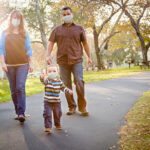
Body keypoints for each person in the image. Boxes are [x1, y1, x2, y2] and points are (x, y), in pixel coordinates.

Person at [46, 6, 92, 116]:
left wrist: (89, 57)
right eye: (64, 14)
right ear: (62, 16)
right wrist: (48, 55)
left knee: (79, 81)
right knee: (66, 85)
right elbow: (51, 43)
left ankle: (82, 107)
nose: (66, 16)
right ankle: (71, 106)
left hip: (77, 60)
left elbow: (85, 43)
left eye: (68, 14)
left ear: (72, 15)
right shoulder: (57, 30)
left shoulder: (79, 28)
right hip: (62, 62)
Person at [0, 10, 33, 122]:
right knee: (13, 90)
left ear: (21, 20)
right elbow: (1, 49)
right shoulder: (5, 33)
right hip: (9, 65)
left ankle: (21, 113)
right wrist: (3, 63)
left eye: (18, 18)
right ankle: (18, 111)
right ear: (10, 19)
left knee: (20, 87)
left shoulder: (24, 33)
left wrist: (31, 63)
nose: (16, 20)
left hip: (23, 64)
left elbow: (28, 49)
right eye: (14, 17)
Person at [40, 65, 72, 133]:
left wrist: (68, 90)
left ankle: (57, 124)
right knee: (47, 113)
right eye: (50, 71)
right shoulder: (47, 80)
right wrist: (42, 78)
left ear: (57, 72)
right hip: (47, 101)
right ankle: (48, 126)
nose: (52, 73)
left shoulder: (59, 81)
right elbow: (43, 82)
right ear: (47, 73)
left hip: (57, 101)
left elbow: (63, 88)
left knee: (58, 113)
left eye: (54, 71)